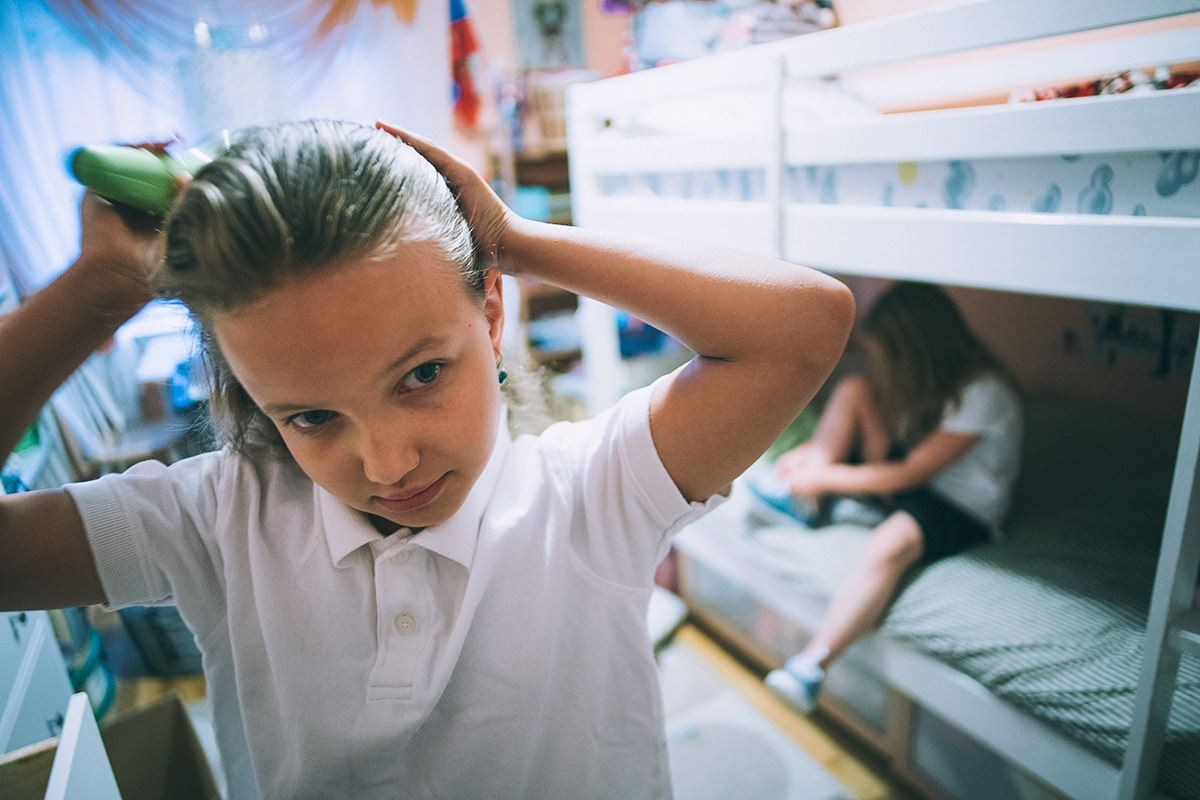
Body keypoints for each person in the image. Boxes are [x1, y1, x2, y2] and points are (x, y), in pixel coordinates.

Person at [0, 119, 854, 799]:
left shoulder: (593, 493)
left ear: (491, 314)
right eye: (308, 416)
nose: (385, 462)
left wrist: (516, 240)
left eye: (421, 374)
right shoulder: (216, 520)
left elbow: (803, 328)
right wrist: (96, 290)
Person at [760, 281, 1022, 713]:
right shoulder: (936, 381)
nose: (887, 368)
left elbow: (908, 474)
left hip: (957, 508)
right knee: (855, 389)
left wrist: (828, 476)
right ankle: (805, 495)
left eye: (891, 358)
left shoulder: (985, 393)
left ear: (918, 349)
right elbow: (903, 447)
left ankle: (812, 665)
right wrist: (818, 460)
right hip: (920, 480)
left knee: (889, 545)